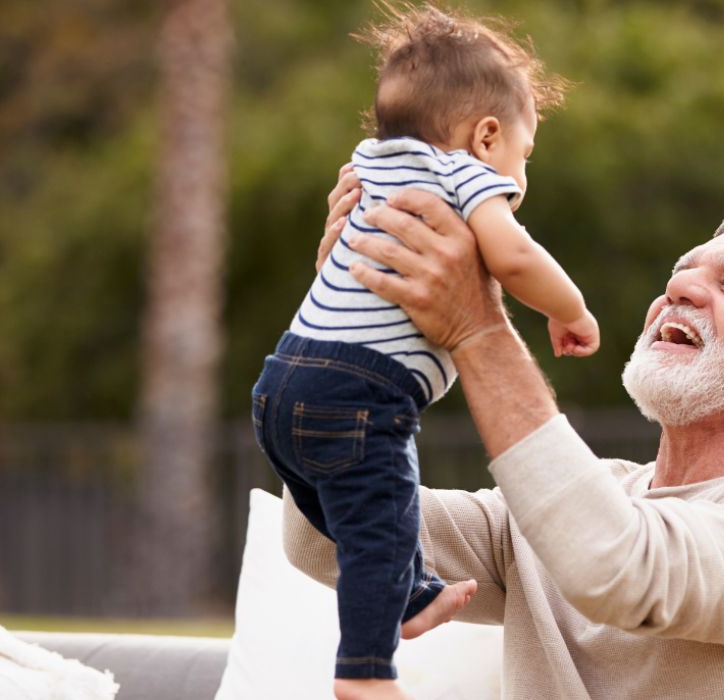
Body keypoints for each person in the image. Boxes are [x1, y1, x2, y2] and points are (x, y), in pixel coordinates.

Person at [285, 189, 724, 699]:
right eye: (681, 272)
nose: (678, 288)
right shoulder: (574, 505)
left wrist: (477, 325)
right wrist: (344, 324)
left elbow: (615, 567)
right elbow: (321, 539)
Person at [250, 5, 598, 699]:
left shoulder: (369, 164)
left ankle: (408, 593)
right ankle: (366, 675)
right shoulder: (465, 176)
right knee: (381, 520)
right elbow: (515, 256)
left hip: (280, 383)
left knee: (367, 520)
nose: (518, 179)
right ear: (487, 136)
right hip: (359, 394)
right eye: (523, 158)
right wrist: (571, 309)